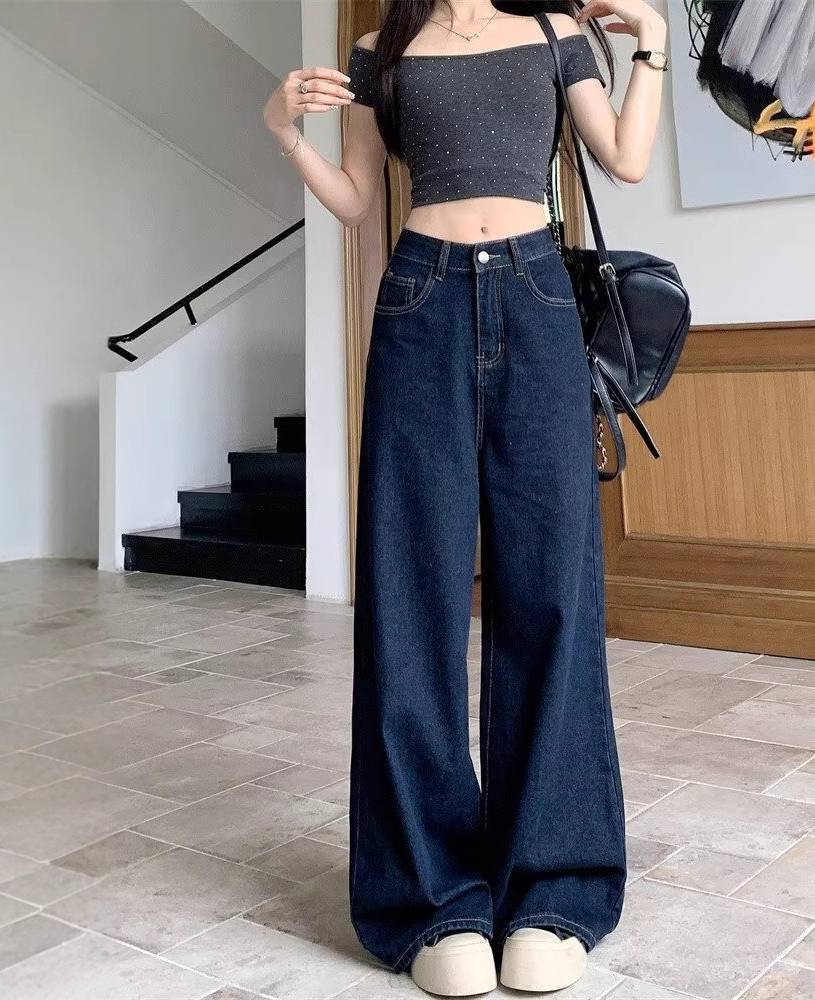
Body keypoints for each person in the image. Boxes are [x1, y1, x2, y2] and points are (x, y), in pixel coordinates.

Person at [263, 0, 666, 993]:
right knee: (411, 597)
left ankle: (553, 885)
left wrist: (653, 40)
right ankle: (431, 897)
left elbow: (624, 158)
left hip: (537, 296)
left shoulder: (553, 33)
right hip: (420, 299)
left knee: (551, 593)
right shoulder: (380, 49)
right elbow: (358, 197)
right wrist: (285, 132)